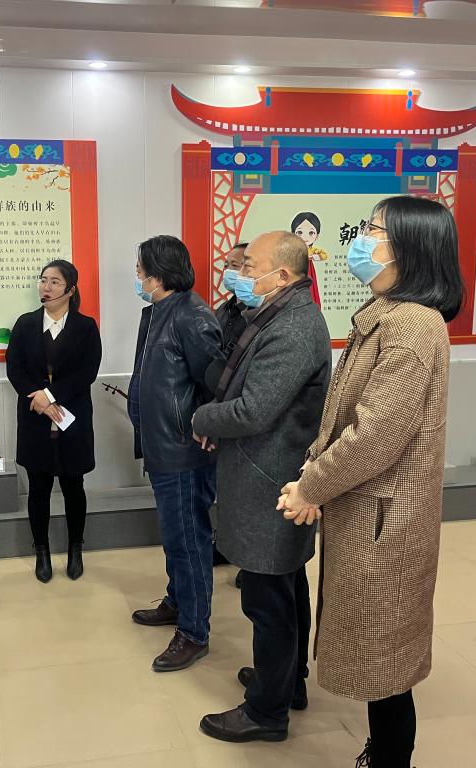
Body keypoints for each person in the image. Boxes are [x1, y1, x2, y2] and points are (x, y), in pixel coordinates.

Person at [279, 195, 463, 768]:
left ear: (410, 247)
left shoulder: (412, 324)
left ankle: (389, 757)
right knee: (380, 647)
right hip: (367, 508)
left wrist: (312, 487)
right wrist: (316, 478)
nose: (363, 238)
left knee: (385, 652)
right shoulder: (389, 312)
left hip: (387, 518)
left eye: (374, 229)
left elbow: (376, 434)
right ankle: (383, 750)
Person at [192, 231, 331, 743]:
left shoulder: (292, 326)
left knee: (268, 599)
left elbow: (254, 409)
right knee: (284, 586)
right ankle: (287, 682)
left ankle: (267, 712)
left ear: (283, 275)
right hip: (266, 474)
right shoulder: (276, 314)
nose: (239, 273)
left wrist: (201, 417)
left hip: (270, 480)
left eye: (249, 265)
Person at [128, 235, 224, 672]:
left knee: (188, 541)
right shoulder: (159, 312)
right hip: (161, 446)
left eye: (141, 268)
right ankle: (177, 601)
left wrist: (206, 425)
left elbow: (217, 382)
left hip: (184, 450)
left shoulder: (192, 316)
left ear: (159, 272)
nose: (137, 275)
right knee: (175, 538)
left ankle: (194, 632)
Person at [6, 260, 102, 583]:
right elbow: (14, 369)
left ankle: (76, 548)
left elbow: (87, 372)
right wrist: (40, 402)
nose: (45, 287)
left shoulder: (86, 327)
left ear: (70, 290)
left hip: (72, 419)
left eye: (54, 282)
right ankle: (42, 551)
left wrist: (50, 395)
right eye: (43, 280)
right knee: (39, 488)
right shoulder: (25, 324)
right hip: (35, 419)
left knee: (74, 487)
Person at [213, 242, 248, 570]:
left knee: (247, 492)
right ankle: (226, 545)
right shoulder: (223, 311)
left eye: (238, 265)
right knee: (225, 487)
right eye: (227, 265)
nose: (230, 272)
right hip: (220, 404)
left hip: (244, 408)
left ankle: (248, 560)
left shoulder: (259, 315)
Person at [291, 211, 328, 307]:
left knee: (311, 288)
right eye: (300, 232)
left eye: (311, 233)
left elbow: (324, 255)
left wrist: (313, 257)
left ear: (317, 236)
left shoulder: (313, 250)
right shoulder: (293, 249)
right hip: (296, 270)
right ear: (293, 234)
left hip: (309, 270)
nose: (305, 237)